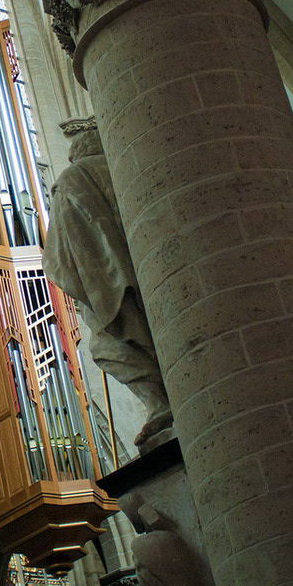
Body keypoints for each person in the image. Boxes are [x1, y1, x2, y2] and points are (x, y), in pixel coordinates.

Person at [42, 119, 172, 448]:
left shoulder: (72, 178)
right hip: (158, 272)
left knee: (107, 346)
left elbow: (63, 254)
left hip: (108, 281)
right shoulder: (134, 166)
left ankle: (160, 403)